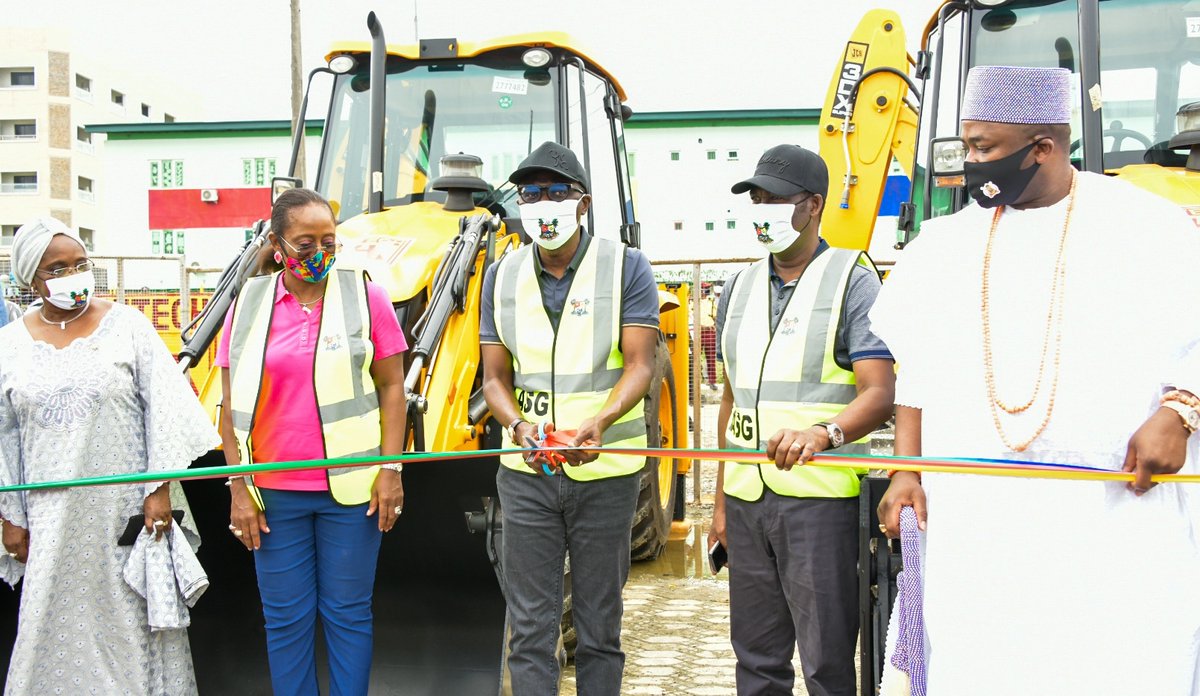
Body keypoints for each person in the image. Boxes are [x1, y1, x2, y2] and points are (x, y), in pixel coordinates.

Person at [872, 66, 1200, 695]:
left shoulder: (1147, 227)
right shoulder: (941, 246)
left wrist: (1178, 411)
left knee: (1116, 665)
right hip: (980, 523)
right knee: (983, 667)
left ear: (1042, 148)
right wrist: (906, 471)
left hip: (1114, 518)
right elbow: (917, 371)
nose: (969, 164)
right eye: (966, 145)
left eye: (983, 148)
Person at [706, 144, 895, 696]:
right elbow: (729, 400)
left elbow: (879, 391)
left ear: (813, 206)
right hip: (745, 503)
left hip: (819, 503)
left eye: (775, 200)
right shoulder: (737, 286)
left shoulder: (852, 278)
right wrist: (719, 504)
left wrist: (823, 433)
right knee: (757, 661)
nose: (762, 210)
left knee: (827, 662)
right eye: (756, 199)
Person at [0, 217, 218, 694]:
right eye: (57, 268)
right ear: (30, 279)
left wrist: (157, 491)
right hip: (49, 520)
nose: (73, 275)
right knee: (48, 624)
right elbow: (4, 435)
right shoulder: (9, 346)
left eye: (80, 264)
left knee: (128, 626)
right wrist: (10, 515)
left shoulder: (129, 328)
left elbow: (164, 412)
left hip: (124, 514)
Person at [480, 141, 661, 695]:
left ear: (583, 203)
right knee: (530, 630)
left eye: (558, 192)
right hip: (527, 474)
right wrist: (516, 426)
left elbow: (641, 364)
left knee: (599, 628)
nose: (543, 204)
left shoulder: (626, 267)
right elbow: (494, 379)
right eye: (531, 194)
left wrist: (601, 422)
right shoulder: (500, 275)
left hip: (605, 477)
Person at [216, 188, 408, 696]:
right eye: (305, 243)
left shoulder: (368, 297)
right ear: (278, 243)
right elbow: (229, 407)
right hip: (272, 496)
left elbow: (393, 388)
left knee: (347, 615)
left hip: (352, 493)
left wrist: (392, 471)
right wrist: (238, 487)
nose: (319, 252)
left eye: (329, 240)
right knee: (286, 621)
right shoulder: (247, 306)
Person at [698, 283, 718, 387]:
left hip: (710, 332)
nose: (705, 290)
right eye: (704, 288)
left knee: (711, 358)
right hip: (697, 332)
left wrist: (714, 325)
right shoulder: (693, 302)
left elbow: (715, 316)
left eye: (706, 288)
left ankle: (712, 381)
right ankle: (696, 381)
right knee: (696, 358)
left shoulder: (711, 302)